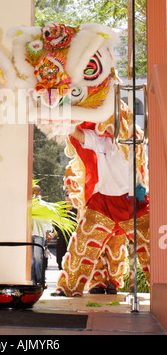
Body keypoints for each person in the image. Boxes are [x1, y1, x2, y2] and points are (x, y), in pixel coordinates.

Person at [53, 124, 149, 297]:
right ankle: (68, 287)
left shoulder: (133, 141)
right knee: (82, 244)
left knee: (149, 245)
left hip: (132, 202)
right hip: (102, 202)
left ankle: (117, 282)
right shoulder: (101, 141)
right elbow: (79, 134)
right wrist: (66, 118)